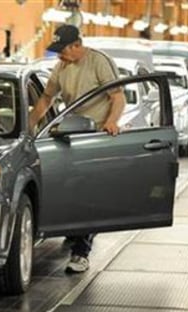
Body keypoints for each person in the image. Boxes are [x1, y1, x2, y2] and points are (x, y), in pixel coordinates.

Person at [29, 24, 125, 273]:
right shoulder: (62, 65)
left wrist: (111, 122)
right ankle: (75, 229)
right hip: (71, 133)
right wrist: (28, 126)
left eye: (63, 50)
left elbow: (117, 97)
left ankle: (81, 253)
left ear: (77, 45)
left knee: (88, 192)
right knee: (71, 187)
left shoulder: (99, 62)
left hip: (95, 136)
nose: (59, 55)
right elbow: (46, 98)